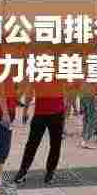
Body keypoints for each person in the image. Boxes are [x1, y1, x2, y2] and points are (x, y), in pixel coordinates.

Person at [14, 57, 66, 185]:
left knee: (52, 144)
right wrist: (25, 110)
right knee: (34, 144)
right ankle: (24, 171)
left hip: (55, 113)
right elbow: (29, 92)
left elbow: (67, 89)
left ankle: (49, 172)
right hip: (42, 113)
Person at [0, 43, 19, 195]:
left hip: (4, 111)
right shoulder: (0, 63)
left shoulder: (3, 62)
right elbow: (0, 90)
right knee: (2, 148)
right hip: (2, 113)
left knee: (3, 147)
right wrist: (6, 113)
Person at [79, 82, 97, 149]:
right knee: (91, 118)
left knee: (86, 118)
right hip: (89, 95)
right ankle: (87, 140)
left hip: (84, 94)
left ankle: (84, 138)